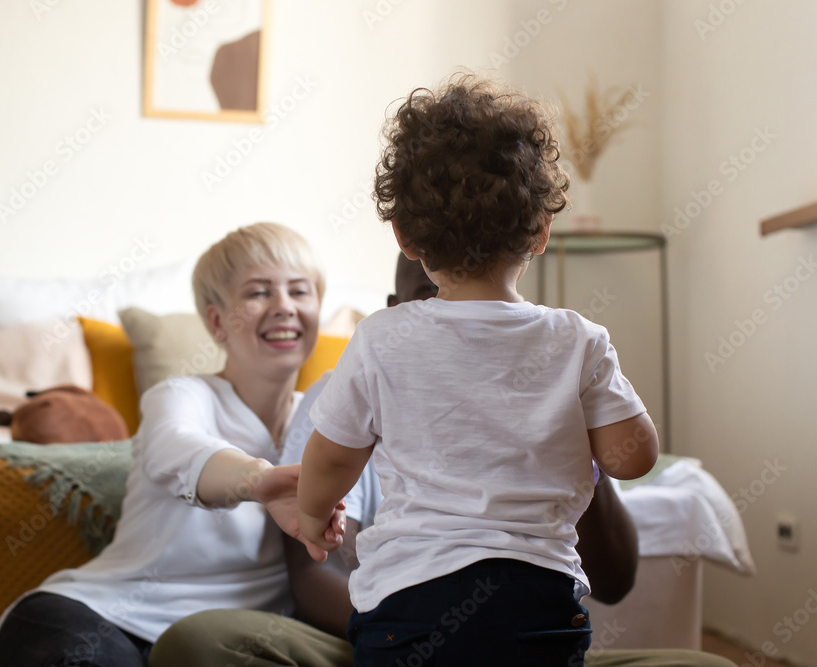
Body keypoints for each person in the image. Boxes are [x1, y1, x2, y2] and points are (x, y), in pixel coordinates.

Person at [148, 252, 736, 667]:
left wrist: (566, 433)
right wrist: (424, 641)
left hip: (527, 645)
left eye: (481, 305)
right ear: (393, 310)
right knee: (202, 643)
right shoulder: (351, 384)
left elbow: (615, 580)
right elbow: (313, 569)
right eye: (433, 300)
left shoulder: (559, 363)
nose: (459, 326)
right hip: (391, 640)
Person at [296, 74, 659, 665]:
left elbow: (334, 455)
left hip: (407, 604)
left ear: (406, 237)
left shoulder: (381, 338)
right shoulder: (578, 339)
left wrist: (314, 514)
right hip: (539, 602)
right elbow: (633, 458)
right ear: (541, 232)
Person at [0, 222, 341, 667]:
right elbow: (179, 448)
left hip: (213, 646)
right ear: (216, 320)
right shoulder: (180, 397)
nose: (284, 307)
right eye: (258, 293)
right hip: (101, 618)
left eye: (300, 291)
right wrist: (261, 481)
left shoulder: (328, 422)